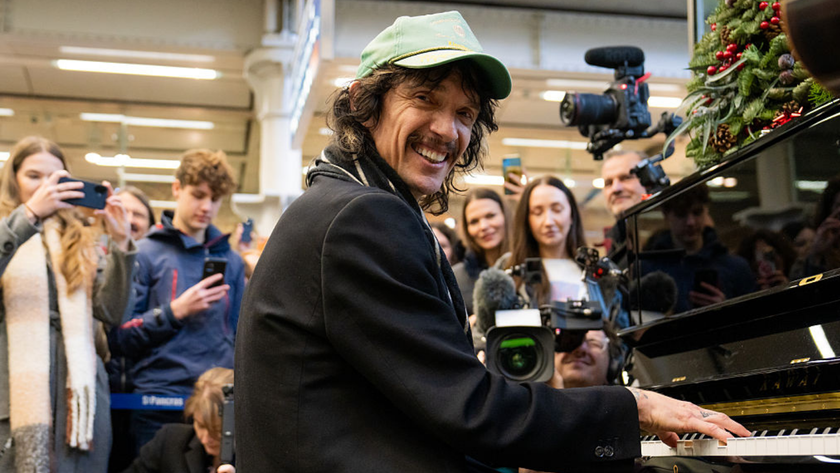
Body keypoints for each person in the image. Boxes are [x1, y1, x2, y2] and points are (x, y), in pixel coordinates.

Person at [235, 10, 749, 473]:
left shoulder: (345, 202)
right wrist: (631, 407)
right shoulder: (361, 216)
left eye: (465, 113)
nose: (447, 129)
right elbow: (470, 408)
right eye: (425, 99)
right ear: (364, 105)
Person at [0, 136, 136, 472]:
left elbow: (112, 312)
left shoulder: (82, 239)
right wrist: (28, 216)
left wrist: (121, 244)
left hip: (81, 408)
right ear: (13, 180)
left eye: (56, 177)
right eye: (34, 176)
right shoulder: (7, 230)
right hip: (13, 401)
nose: (47, 186)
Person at [110, 149, 245, 454]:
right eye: (198, 195)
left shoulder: (232, 263)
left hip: (216, 403)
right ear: (177, 188)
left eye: (215, 199)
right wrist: (175, 311)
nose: (206, 207)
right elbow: (119, 336)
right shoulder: (144, 253)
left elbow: (239, 336)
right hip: (157, 401)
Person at [641, 184, 755, 313]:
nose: (691, 222)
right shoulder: (647, 269)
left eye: (697, 212)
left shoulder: (736, 267)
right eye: (681, 214)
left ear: (706, 211)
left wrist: (726, 312)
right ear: (666, 215)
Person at [121, 367, 235, 473]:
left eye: (217, 431)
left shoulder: (250, 457)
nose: (205, 439)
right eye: (200, 425)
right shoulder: (170, 441)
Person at [502, 176, 587, 306]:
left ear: (572, 215)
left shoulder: (595, 273)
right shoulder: (511, 272)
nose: (548, 221)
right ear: (526, 220)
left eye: (557, 209)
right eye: (537, 212)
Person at [453, 188, 510, 315]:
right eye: (474, 221)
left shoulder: (528, 266)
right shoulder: (457, 278)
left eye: (490, 216)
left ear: (506, 216)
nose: (483, 226)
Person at [600, 149, 648, 269]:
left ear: (649, 181)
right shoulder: (615, 241)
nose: (616, 188)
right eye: (608, 183)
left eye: (626, 178)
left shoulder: (673, 235)